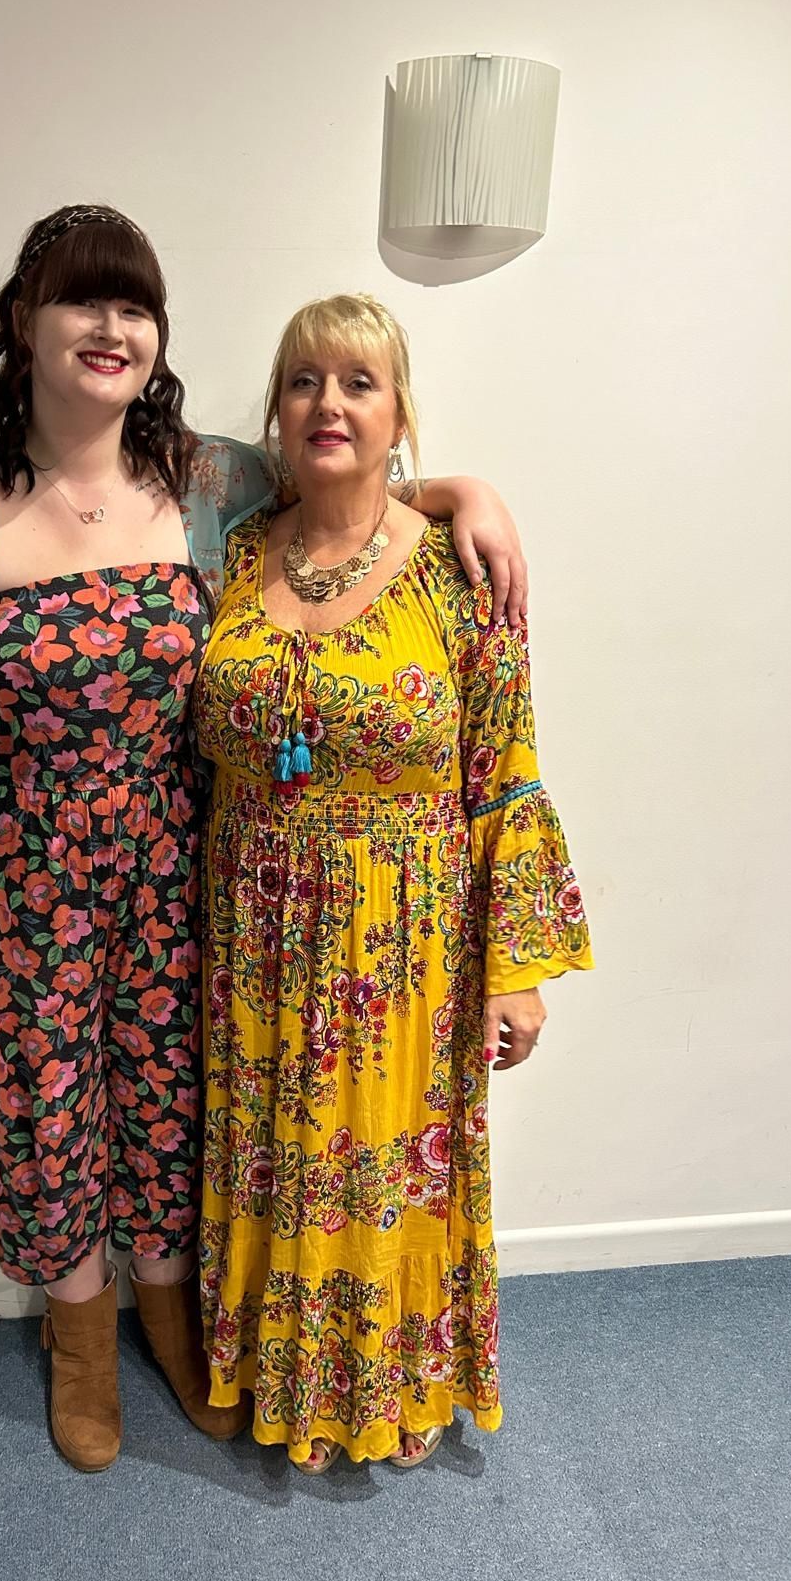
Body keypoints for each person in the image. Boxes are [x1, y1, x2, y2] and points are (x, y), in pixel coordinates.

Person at [0, 206, 531, 1473]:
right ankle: (78, 1337)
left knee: (176, 1104)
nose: (112, 328)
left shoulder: (208, 481)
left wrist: (465, 492)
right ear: (26, 326)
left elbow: (344, 490)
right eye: (85, 301)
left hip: (185, 870)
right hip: (23, 878)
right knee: (47, 1106)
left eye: (137, 307)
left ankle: (169, 1318)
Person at [195, 293, 593, 1473]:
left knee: (379, 1165)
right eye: (305, 380)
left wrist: (516, 972)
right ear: (277, 411)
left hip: (401, 945)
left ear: (399, 413)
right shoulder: (235, 551)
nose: (329, 402)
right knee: (275, 1155)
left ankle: (391, 1384)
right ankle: (279, 1372)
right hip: (254, 927)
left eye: (359, 382)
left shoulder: (460, 571)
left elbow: (507, 774)